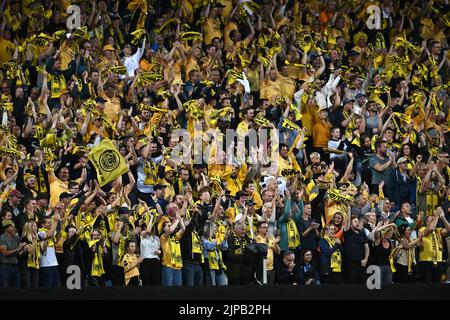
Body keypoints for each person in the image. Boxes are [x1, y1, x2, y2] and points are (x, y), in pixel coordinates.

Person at [418, 207, 450, 283]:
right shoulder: (422, 229)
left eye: (434, 220)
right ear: (426, 222)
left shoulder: (438, 230)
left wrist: (442, 217)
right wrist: (436, 216)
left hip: (438, 261)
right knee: (427, 285)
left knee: (437, 285)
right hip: (426, 261)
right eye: (431, 220)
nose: (434, 221)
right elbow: (430, 228)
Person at [342, 208, 370, 284]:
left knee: (363, 283)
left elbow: (366, 247)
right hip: (350, 263)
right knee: (351, 283)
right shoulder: (348, 231)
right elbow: (347, 220)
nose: (357, 223)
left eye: (357, 221)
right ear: (351, 224)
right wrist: (348, 207)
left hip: (361, 263)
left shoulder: (362, 233)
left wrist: (366, 259)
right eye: (355, 221)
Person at [160, 208, 185, 286]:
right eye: (168, 225)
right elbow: (170, 230)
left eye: (171, 225)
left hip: (178, 266)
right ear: (164, 228)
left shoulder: (175, 237)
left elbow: (183, 228)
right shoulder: (163, 237)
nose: (170, 226)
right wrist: (177, 219)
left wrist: (179, 218)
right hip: (168, 265)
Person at [38, 214, 61, 287]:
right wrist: (55, 221)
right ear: (42, 224)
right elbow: (49, 235)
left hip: (54, 264)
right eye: (48, 223)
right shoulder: (40, 232)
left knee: (57, 286)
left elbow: (57, 230)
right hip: (45, 265)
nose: (51, 224)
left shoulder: (51, 230)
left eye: (51, 222)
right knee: (48, 288)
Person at [0, 220, 25, 287]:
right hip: (5, 266)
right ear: (6, 228)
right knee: (5, 287)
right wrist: (17, 249)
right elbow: (4, 253)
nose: (13, 228)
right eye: (11, 227)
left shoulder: (16, 238)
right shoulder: (2, 238)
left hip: (16, 265)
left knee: (17, 287)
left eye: (14, 227)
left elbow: (19, 253)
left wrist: (24, 250)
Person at [255, 221, 280, 285]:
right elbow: (262, 250)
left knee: (270, 288)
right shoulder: (256, 239)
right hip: (261, 268)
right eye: (264, 227)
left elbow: (278, 252)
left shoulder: (271, 238)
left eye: (267, 227)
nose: (266, 229)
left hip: (271, 268)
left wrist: (276, 243)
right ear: (259, 229)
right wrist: (269, 242)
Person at [139, 212, 161, 286]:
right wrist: (151, 217)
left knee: (156, 283)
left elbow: (159, 250)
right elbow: (148, 231)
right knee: (147, 283)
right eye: (148, 226)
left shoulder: (157, 238)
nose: (151, 228)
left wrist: (159, 251)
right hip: (146, 261)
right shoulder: (142, 235)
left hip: (155, 261)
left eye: (152, 227)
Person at [19, 221, 40, 287]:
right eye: (35, 226)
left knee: (35, 285)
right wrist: (34, 241)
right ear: (30, 228)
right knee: (27, 285)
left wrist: (45, 241)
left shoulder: (37, 238)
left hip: (35, 265)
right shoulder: (24, 239)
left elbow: (43, 251)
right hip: (26, 265)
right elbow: (31, 252)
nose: (37, 227)